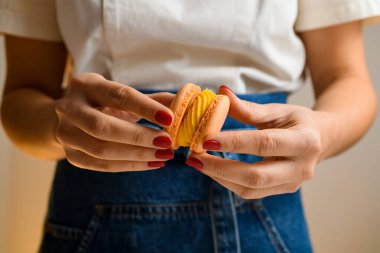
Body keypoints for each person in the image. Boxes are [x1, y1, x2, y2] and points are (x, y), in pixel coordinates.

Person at [1, 1, 379, 252]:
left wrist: (322, 132)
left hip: (263, 214)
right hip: (93, 218)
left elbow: (348, 79)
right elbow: (22, 95)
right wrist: (61, 126)